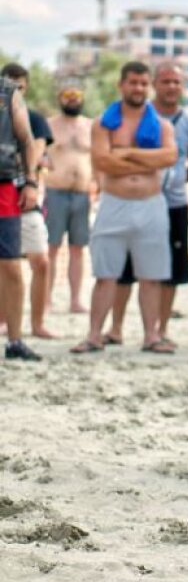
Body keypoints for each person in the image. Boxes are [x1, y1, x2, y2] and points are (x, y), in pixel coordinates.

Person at [70, 61, 178, 355]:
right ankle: (94, 335)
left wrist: (127, 152)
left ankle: (151, 335)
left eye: (144, 83)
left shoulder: (163, 125)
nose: (138, 88)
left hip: (151, 204)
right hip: (114, 203)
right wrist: (147, 158)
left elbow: (170, 156)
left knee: (152, 275)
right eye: (133, 82)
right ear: (122, 85)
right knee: (106, 274)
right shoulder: (104, 123)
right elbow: (102, 161)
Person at [107, 62, 188, 347]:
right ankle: (116, 328)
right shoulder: (136, 116)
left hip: (173, 204)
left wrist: (176, 180)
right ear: (154, 84)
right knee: (124, 267)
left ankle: (160, 330)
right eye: (165, 81)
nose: (171, 87)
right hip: (134, 200)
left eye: (176, 82)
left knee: (170, 271)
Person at [1, 63, 55, 341]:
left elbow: (31, 144)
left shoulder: (19, 104)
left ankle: (26, 331)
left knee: (25, 263)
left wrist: (31, 182)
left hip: (13, 189)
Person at [0, 63, 40, 360]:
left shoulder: (8, 91)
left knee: (11, 266)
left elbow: (26, 140)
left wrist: (30, 183)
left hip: (4, 186)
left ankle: (14, 341)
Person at [45, 86, 94, 315]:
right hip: (55, 191)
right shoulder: (50, 125)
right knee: (51, 248)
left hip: (82, 193)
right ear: (60, 98)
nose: (72, 100)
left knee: (78, 249)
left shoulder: (90, 126)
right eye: (68, 96)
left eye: (76, 97)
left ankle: (75, 300)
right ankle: (46, 298)